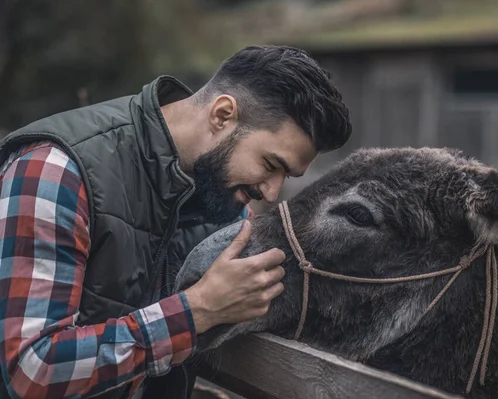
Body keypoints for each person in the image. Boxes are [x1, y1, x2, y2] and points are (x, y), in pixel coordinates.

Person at [0, 45, 351, 399]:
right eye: (271, 165)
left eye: (287, 175)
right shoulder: (56, 172)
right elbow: (31, 371)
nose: (272, 193)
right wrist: (197, 311)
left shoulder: (222, 205)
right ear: (222, 114)